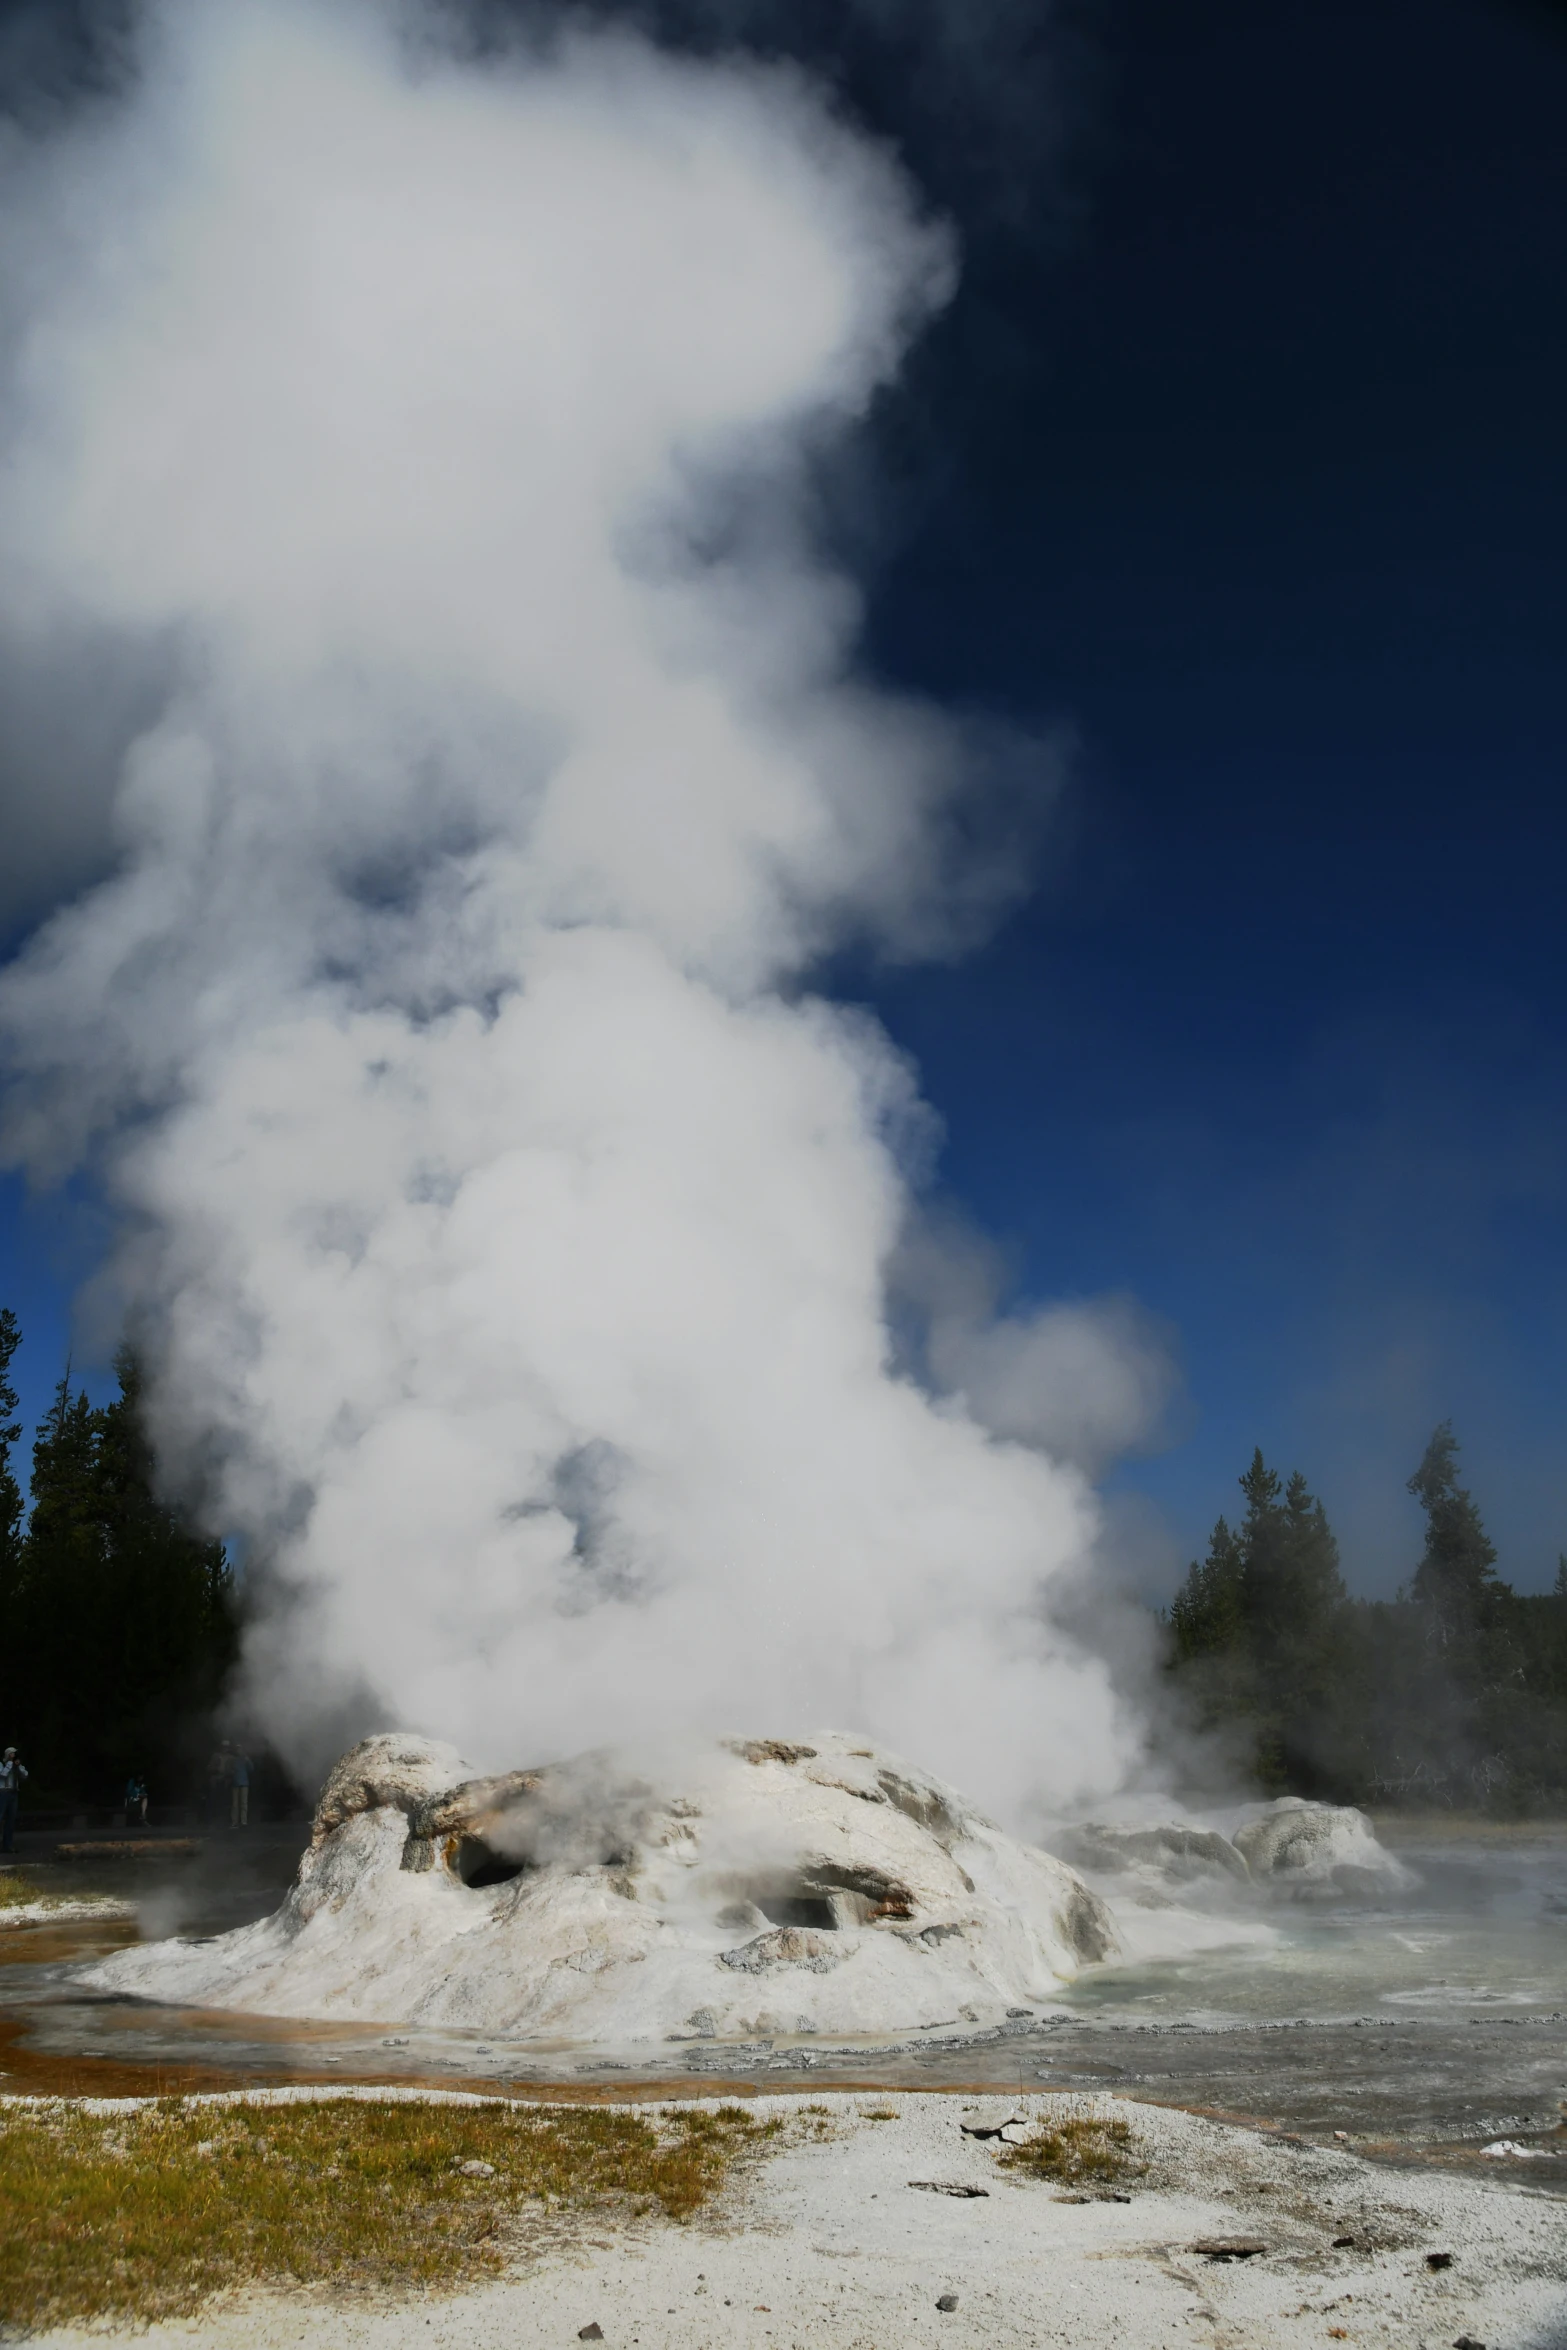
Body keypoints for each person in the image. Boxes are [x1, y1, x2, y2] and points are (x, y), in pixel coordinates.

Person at [0, 1747, 28, 1855]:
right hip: (2, 1793)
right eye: (12, 1754)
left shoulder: (16, 1766)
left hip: (13, 1793)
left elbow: (25, 1775)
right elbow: (2, 1775)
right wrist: (10, 1764)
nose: (14, 1756)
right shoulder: (2, 1765)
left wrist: (18, 1766)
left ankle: (7, 1845)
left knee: (11, 1820)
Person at [229, 1745, 251, 1829]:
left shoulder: (245, 1759)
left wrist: (248, 1761)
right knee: (235, 1804)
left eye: (240, 1749)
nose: (239, 1751)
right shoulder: (233, 1759)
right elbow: (229, 1770)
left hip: (244, 1783)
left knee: (244, 1803)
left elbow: (251, 1769)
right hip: (235, 1783)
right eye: (238, 1749)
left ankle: (243, 1822)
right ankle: (234, 1822)